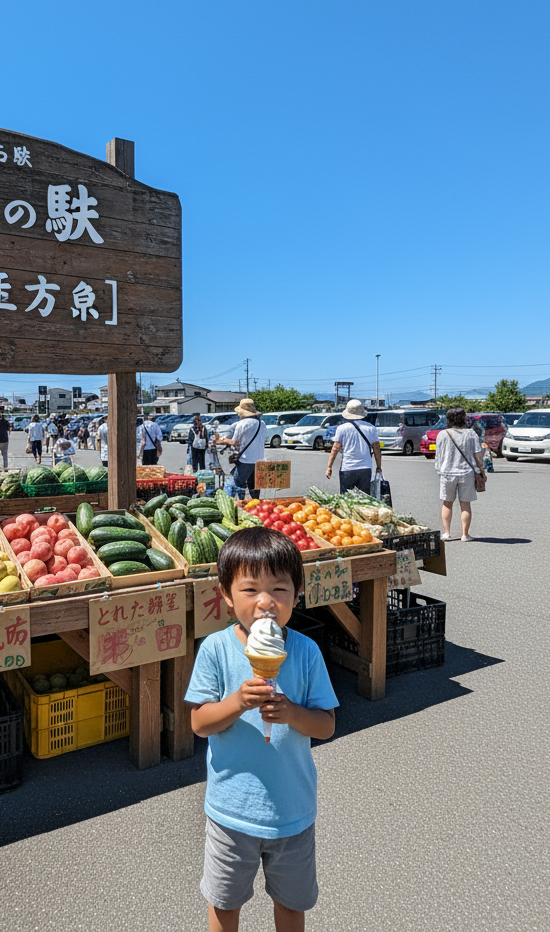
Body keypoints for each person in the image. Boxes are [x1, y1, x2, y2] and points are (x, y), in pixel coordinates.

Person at [185, 527, 338, 932]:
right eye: (250, 589)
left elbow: (326, 725)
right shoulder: (216, 649)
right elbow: (199, 723)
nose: (266, 601)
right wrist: (237, 701)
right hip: (231, 812)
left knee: (291, 903)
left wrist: (292, 713)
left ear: (297, 594)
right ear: (226, 594)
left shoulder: (306, 652)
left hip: (293, 811)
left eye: (279, 589)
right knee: (224, 903)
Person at [435, 407, 485, 541]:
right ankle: (465, 534)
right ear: (464, 419)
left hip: (447, 472)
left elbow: (438, 456)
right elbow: (478, 455)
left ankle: (446, 533)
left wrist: (439, 470)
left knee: (447, 503)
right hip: (466, 472)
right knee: (465, 504)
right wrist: (481, 470)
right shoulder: (471, 434)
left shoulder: (442, 434)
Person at [324, 399, 382, 494]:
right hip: (365, 468)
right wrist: (378, 466)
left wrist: (329, 467)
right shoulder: (371, 428)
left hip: (347, 468)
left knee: (346, 498)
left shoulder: (342, 428)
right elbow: (377, 449)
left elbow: (335, 448)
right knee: (364, 498)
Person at [214, 399, 266, 500]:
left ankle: (240, 503)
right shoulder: (262, 423)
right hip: (259, 460)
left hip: (246, 460)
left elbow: (235, 442)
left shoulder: (242, 424)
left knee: (237, 483)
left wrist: (223, 440)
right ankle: (256, 503)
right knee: (254, 486)